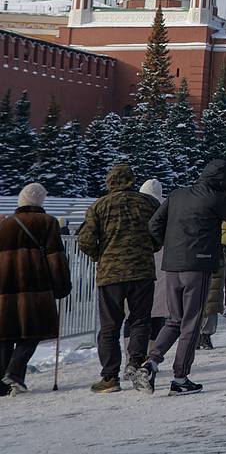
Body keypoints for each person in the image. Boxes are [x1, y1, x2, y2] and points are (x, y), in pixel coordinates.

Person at [136, 159, 226, 395]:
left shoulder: (177, 195)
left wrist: (169, 245)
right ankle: (180, 377)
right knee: (191, 323)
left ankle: (151, 362)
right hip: (198, 265)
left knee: (174, 319)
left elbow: (154, 224)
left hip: (172, 266)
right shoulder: (215, 198)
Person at [76, 162, 161, 394]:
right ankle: (135, 363)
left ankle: (109, 377)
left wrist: (100, 256)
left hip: (110, 273)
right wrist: (150, 247)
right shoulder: (148, 203)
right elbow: (159, 231)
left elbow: (84, 240)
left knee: (110, 325)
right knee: (141, 320)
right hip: (142, 271)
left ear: (109, 182)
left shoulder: (99, 206)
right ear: (132, 181)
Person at [0, 183, 71, 393]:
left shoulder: (5, 224)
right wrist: (62, 286)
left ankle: (2, 385)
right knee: (35, 331)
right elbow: (55, 258)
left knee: (5, 334)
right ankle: (14, 371)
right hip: (36, 289)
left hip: (5, 290)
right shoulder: (47, 223)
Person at [139, 180, 168, 351]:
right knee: (157, 314)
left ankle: (133, 355)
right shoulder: (166, 207)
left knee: (136, 315)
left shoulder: (134, 206)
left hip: (138, 263)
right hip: (163, 264)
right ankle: (151, 355)